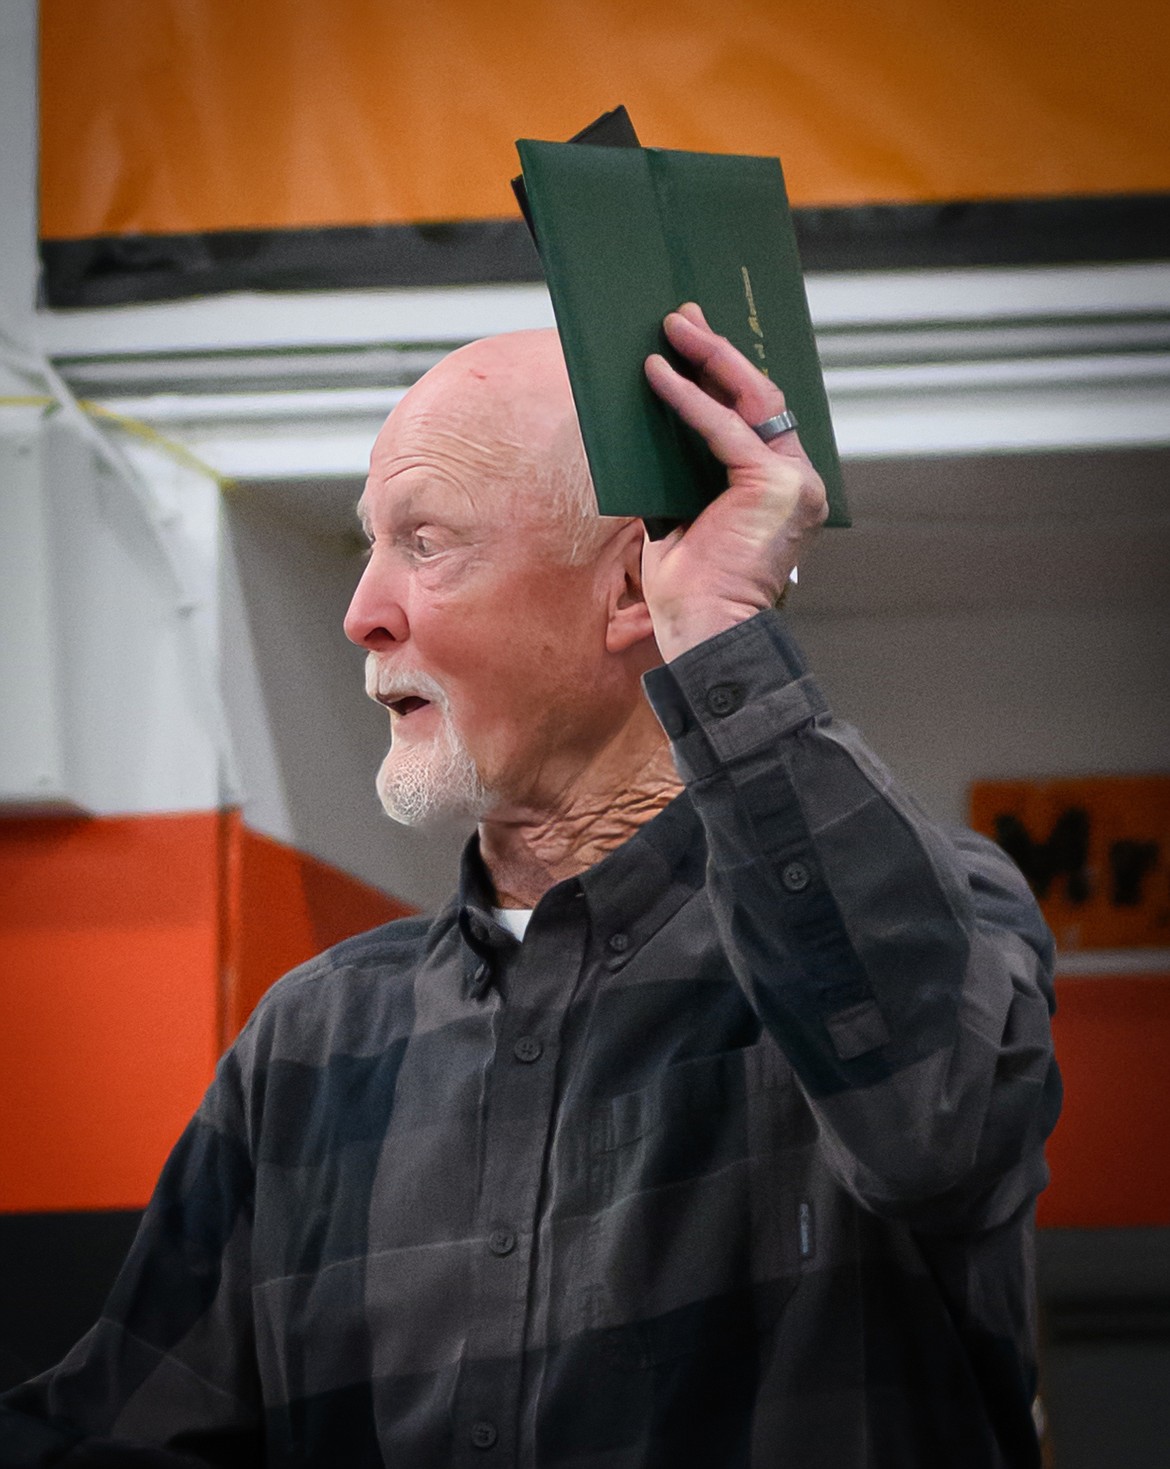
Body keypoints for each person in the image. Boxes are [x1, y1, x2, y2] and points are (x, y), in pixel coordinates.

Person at [1, 306, 1060, 1467]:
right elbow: (125, 1433)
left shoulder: (940, 909)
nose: (362, 610)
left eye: (426, 540)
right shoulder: (309, 1039)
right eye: (370, 545)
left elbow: (929, 1128)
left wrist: (718, 628)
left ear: (626, 596)